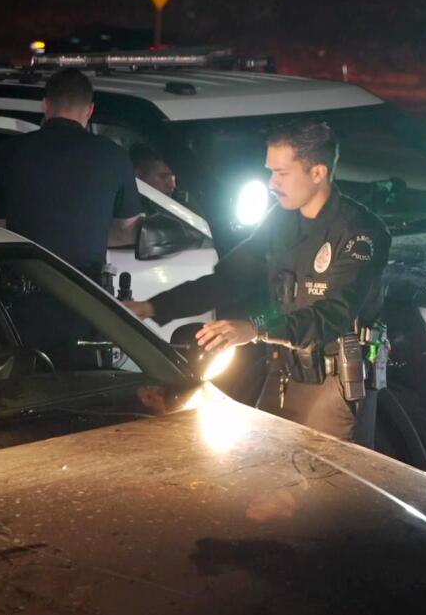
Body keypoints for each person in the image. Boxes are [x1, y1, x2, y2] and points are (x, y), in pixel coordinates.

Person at [124, 121, 391, 444]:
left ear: (318, 173)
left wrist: (256, 327)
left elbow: (332, 315)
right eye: (270, 171)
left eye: (281, 173)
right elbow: (230, 278)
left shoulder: (360, 233)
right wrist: (152, 306)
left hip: (333, 382)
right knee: (262, 472)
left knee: (327, 485)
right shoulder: (280, 219)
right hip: (283, 372)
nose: (271, 183)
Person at [0, 69, 144, 280]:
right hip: (85, 291)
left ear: (46, 105)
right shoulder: (114, 156)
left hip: (20, 286)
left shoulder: (7, 152)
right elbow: (128, 229)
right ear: (90, 110)